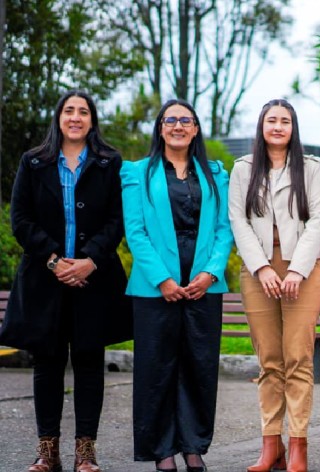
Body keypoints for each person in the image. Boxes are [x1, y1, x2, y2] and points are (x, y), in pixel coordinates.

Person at [0, 90, 132, 472]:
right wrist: (55, 260)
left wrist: (90, 261)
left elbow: (116, 221)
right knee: (48, 363)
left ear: (92, 120)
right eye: (69, 110)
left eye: (84, 112)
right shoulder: (34, 162)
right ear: (58, 118)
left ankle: (85, 453)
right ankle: (48, 452)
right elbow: (20, 220)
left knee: (90, 361)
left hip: (94, 280)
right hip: (46, 280)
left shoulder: (109, 163)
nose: (76, 117)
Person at [121, 99, 233, 472]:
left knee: (198, 367)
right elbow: (135, 232)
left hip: (204, 285)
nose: (178, 126)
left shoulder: (216, 173)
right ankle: (162, 450)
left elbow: (224, 228)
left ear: (196, 129)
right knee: (156, 369)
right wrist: (163, 279)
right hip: (155, 288)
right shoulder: (136, 172)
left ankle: (193, 446)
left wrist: (211, 272)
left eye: (186, 120)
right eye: (171, 120)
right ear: (160, 128)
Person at [229, 98, 320, 472]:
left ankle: (298, 445)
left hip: (302, 270)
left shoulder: (312, 167)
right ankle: (271, 445)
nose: (278, 126)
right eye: (272, 120)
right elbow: (238, 221)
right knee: (270, 361)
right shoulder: (243, 169)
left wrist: (297, 270)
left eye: (285, 121)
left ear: (293, 128)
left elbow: (319, 220)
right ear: (262, 126)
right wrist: (262, 268)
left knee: (298, 358)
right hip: (259, 273)